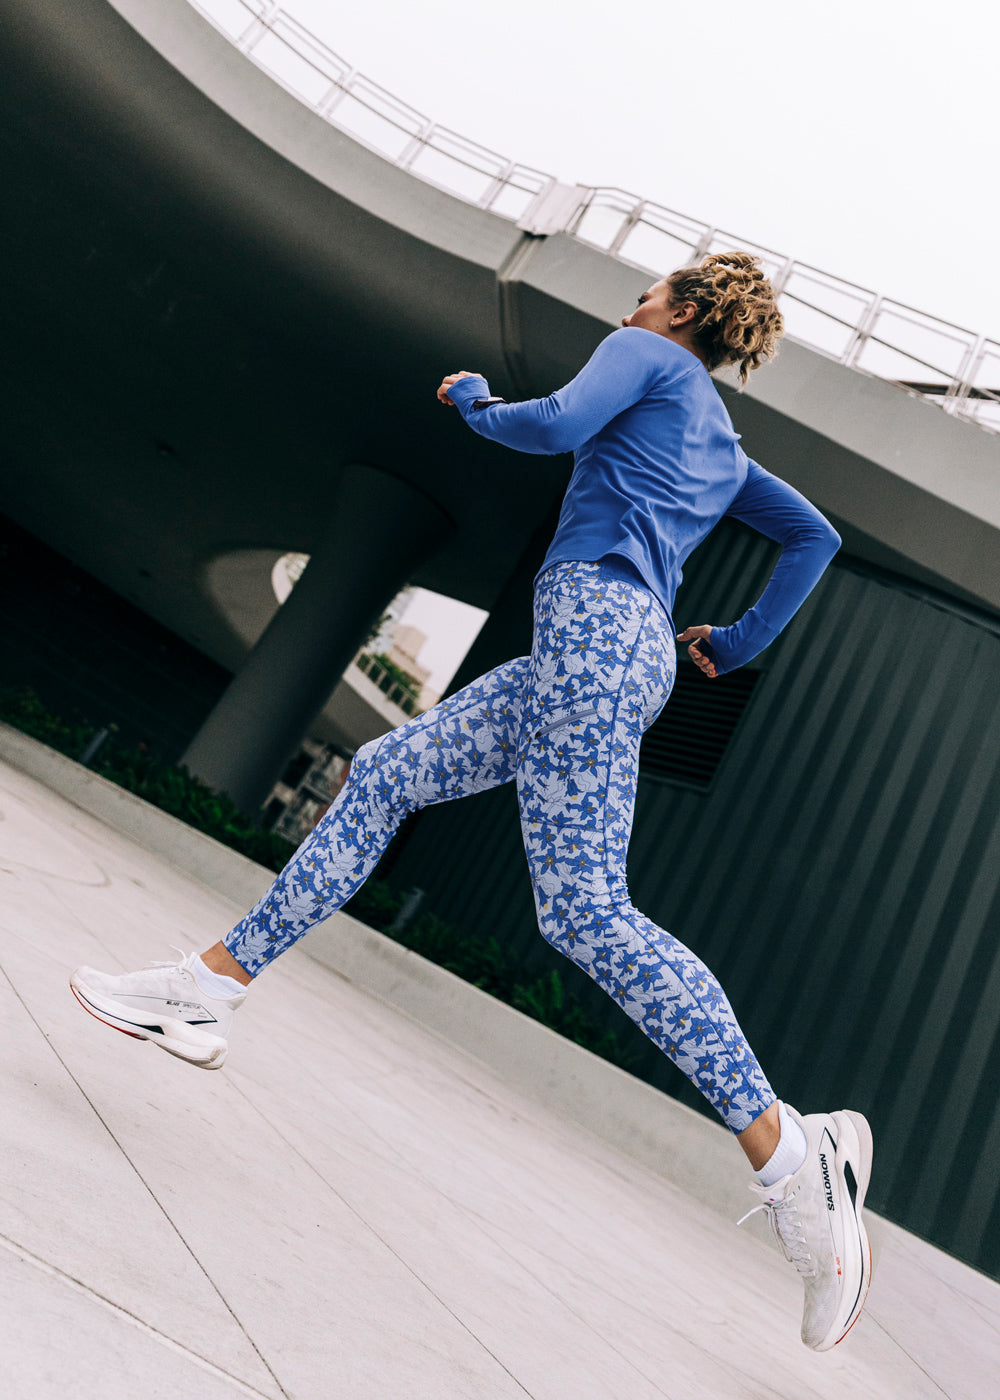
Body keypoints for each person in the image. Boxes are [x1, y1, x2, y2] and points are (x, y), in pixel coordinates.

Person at [70, 252, 872, 1352]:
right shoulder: (723, 447)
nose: (630, 304)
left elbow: (552, 425)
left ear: (683, 309)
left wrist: (476, 401)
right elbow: (814, 537)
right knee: (383, 774)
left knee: (586, 912)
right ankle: (208, 986)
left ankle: (793, 1161)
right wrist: (732, 643)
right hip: (596, 650)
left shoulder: (645, 354)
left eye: (646, 293)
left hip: (596, 640)